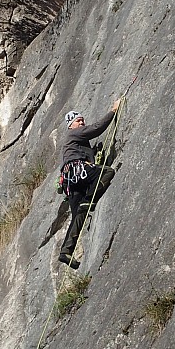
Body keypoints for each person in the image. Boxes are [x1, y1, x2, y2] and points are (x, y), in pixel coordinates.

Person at [58, 100, 121, 267]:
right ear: (71, 125)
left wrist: (94, 153)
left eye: (82, 120)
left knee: (79, 215)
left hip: (71, 183)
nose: (82, 122)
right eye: (79, 121)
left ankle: (66, 251)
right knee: (107, 172)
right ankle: (90, 199)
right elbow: (96, 128)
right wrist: (113, 111)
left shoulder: (76, 143)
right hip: (78, 173)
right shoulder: (74, 134)